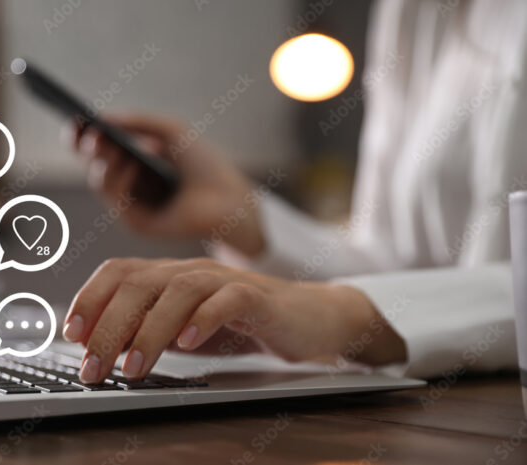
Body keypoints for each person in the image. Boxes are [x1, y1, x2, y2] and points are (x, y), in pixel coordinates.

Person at [63, 0, 527, 385]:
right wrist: (240, 217)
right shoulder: (408, 12)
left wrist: (343, 315)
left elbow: (370, 306)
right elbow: (396, 267)